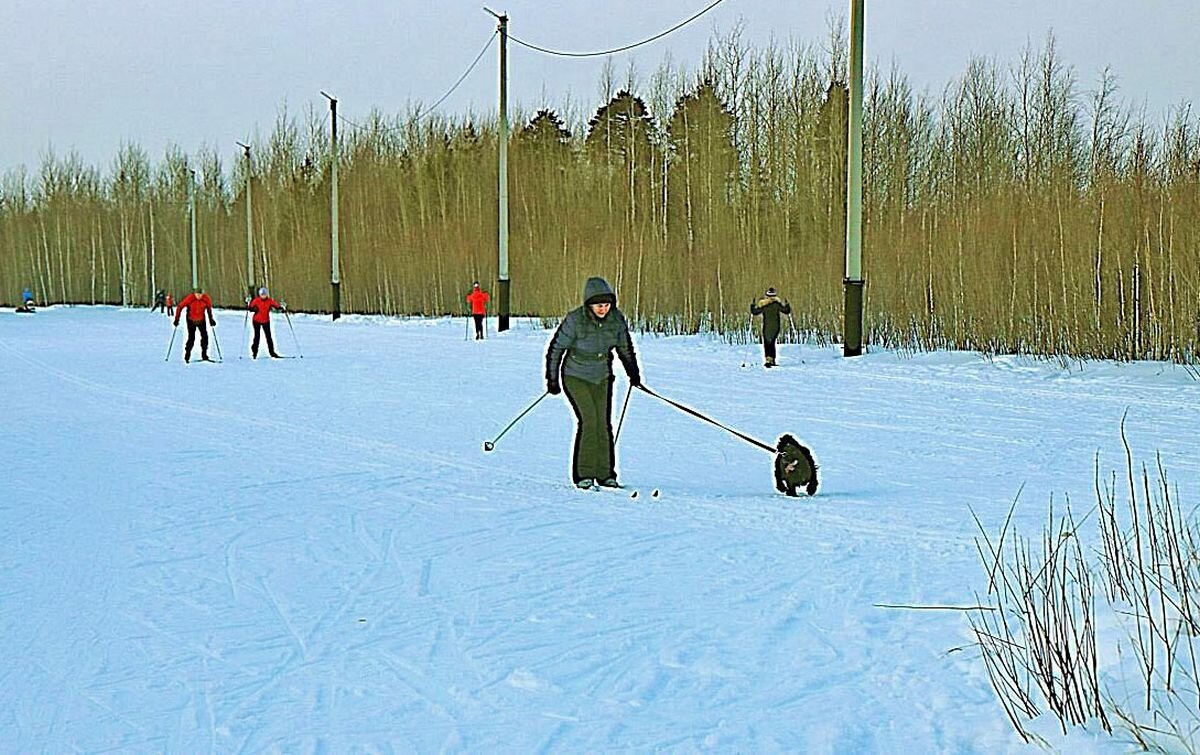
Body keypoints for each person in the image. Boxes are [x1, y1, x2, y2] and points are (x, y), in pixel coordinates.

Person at [545, 276, 642, 490]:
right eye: (599, 305)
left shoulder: (616, 320)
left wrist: (633, 373)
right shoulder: (575, 320)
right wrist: (552, 379)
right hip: (575, 376)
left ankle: (606, 474)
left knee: (604, 424)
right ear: (589, 304)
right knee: (589, 421)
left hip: (602, 376)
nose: (603, 309)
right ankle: (584, 475)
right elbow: (556, 349)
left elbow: (625, 347)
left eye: (606, 305)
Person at [750, 286, 792, 368]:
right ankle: (772, 359)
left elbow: (755, 312)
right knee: (772, 342)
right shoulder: (777, 305)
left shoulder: (764, 305)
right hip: (776, 327)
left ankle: (768, 359)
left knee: (767, 342)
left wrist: (752, 305)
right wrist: (787, 305)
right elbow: (786, 311)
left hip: (767, 327)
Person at [174, 287, 216, 363]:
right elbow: (180, 307)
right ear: (194, 294)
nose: (199, 296)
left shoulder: (206, 299)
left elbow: (209, 309)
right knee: (191, 337)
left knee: (205, 337)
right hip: (191, 320)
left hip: (201, 319)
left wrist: (211, 320)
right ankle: (187, 356)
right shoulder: (190, 298)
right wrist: (177, 319)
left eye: (200, 294)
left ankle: (204, 355)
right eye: (197, 294)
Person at [245, 286, 285, 358]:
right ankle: (254, 352)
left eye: (265, 294)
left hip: (266, 320)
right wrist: (249, 305)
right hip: (256, 320)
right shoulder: (256, 300)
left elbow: (276, 305)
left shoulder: (269, 300)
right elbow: (250, 307)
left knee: (268, 337)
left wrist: (281, 308)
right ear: (260, 295)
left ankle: (272, 352)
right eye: (262, 294)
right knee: (257, 336)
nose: (263, 296)